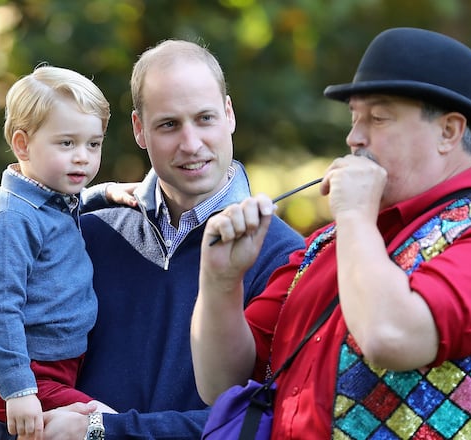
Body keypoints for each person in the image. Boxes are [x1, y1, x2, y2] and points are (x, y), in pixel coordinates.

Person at [191, 27, 471, 439]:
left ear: (448, 132)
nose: (353, 138)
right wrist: (220, 282)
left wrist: (356, 217)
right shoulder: (330, 243)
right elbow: (220, 383)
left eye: (377, 118)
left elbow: (391, 336)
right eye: (354, 118)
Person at [34, 40, 305, 439]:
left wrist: (107, 431)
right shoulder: (86, 235)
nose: (191, 144)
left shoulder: (285, 257)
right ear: (139, 130)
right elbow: (13, 381)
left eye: (205, 118)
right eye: (169, 124)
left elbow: (269, 420)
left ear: (229, 114)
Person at [0, 65, 123, 440]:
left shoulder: (52, 202)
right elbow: (0, 309)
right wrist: (19, 391)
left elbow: (73, 203)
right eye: (67, 143)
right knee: (105, 423)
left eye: (93, 144)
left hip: (58, 366)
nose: (83, 157)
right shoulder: (11, 221)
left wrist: (107, 193)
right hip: (26, 376)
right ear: (22, 145)